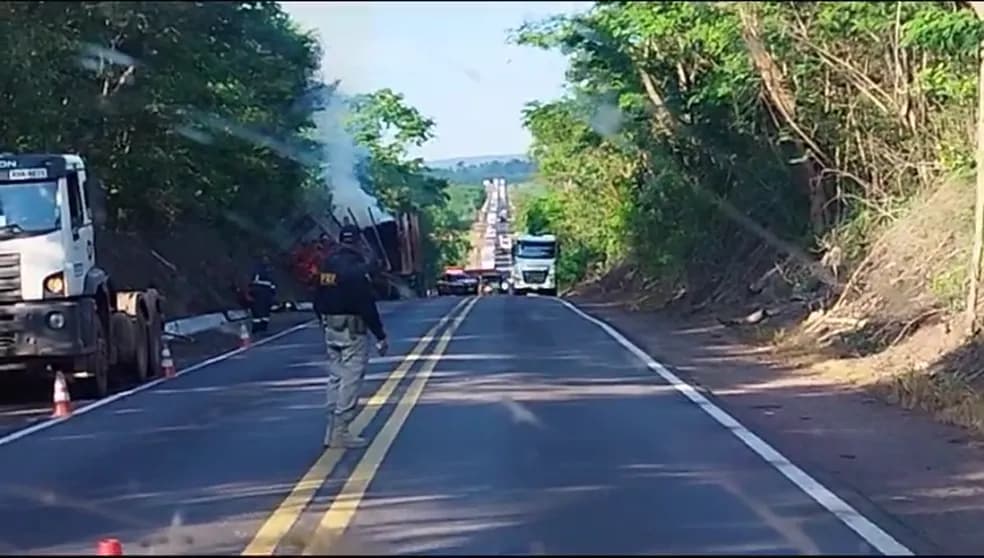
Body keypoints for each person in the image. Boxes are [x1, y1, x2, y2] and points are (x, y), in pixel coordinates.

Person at [314, 224, 388, 448]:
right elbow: (366, 304)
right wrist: (380, 335)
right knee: (351, 379)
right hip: (352, 331)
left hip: (330, 328)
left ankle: (330, 430)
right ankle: (341, 431)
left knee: (335, 378)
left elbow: (317, 297)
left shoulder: (327, 265)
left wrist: (323, 322)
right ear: (356, 242)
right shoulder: (357, 269)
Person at [248, 256, 277, 334]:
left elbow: (253, 282)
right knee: (261, 310)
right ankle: (260, 327)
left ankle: (259, 327)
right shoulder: (264, 271)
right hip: (262, 294)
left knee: (261, 310)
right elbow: (272, 284)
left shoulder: (263, 271)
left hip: (262, 294)